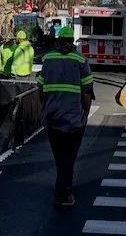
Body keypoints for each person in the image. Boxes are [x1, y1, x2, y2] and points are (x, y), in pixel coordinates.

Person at [38, 26, 92, 208]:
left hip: (52, 117)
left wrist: (44, 107)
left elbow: (40, 88)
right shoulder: (80, 60)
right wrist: (85, 113)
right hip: (73, 118)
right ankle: (63, 193)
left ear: (58, 40)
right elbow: (87, 91)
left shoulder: (48, 59)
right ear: (72, 43)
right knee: (69, 157)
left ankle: (62, 187)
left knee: (60, 156)